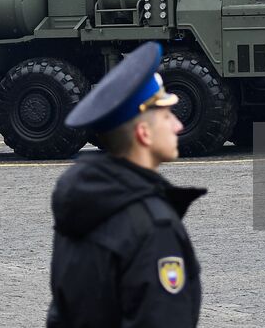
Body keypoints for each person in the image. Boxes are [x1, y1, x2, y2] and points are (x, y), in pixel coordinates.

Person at [46, 42, 206, 328]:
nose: (178, 126)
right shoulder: (153, 226)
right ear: (144, 133)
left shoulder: (81, 206)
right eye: (168, 115)